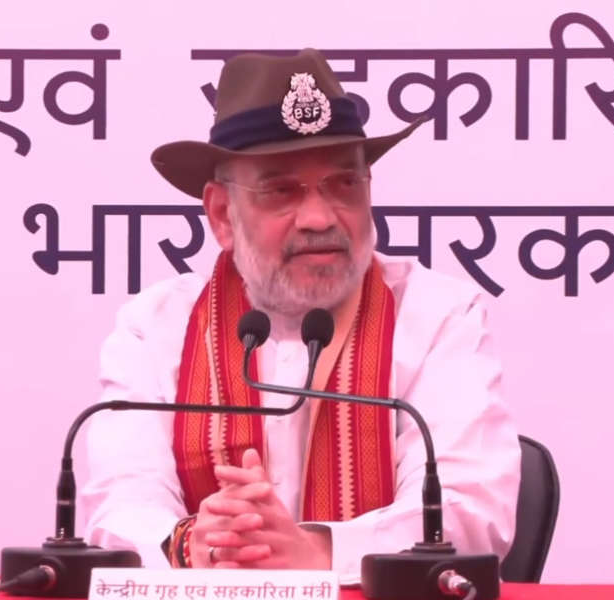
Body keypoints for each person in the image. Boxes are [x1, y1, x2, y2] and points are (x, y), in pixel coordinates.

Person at [79, 49, 520, 582]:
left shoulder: (439, 318)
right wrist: (196, 544)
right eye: (280, 191)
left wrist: (318, 551)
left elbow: (470, 508)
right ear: (222, 214)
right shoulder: (155, 328)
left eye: (344, 184)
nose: (318, 218)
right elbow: (120, 505)